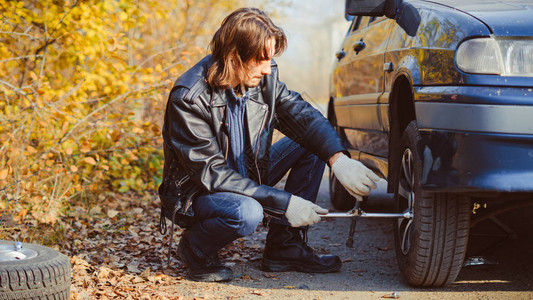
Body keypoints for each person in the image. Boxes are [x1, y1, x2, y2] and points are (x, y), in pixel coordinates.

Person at [158, 7, 381, 282]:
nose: (267, 68)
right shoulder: (189, 98)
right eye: (261, 59)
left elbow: (304, 118)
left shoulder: (263, 79)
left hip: (245, 177)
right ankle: (195, 248)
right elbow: (214, 176)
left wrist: (339, 159)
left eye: (270, 59)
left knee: (311, 145)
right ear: (233, 57)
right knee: (246, 212)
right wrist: (285, 203)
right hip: (199, 192)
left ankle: (284, 247)